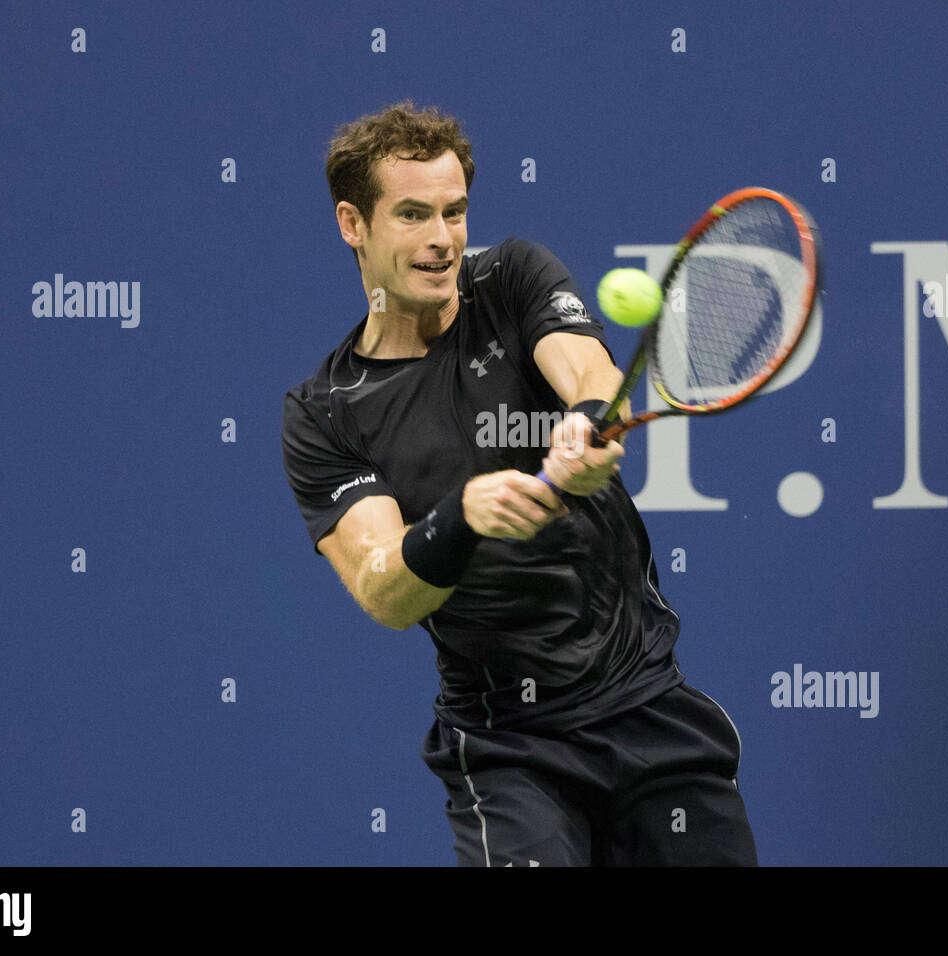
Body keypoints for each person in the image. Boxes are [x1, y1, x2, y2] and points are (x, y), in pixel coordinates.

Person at [282, 101, 757, 866]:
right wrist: (461, 519)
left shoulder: (511, 278)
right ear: (352, 224)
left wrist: (589, 425)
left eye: (454, 211)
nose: (441, 240)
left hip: (644, 704)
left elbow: (588, 372)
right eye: (412, 215)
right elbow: (383, 591)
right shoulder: (325, 412)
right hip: (511, 749)